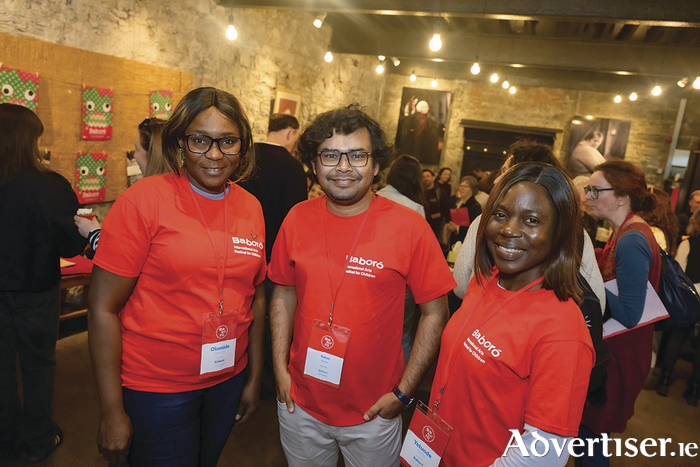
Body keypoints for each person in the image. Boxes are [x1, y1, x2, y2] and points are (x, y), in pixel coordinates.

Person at [88, 87, 267, 467]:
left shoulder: (251, 207)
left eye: (228, 141)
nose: (215, 155)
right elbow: (102, 308)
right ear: (180, 143)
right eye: (200, 140)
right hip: (157, 388)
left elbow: (256, 295)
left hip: (225, 379)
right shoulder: (144, 200)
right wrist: (111, 410)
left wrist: (253, 377)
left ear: (243, 146)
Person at [268, 105, 455, 467]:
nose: (343, 167)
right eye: (330, 155)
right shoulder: (296, 218)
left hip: (374, 412)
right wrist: (279, 368)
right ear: (314, 163)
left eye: (357, 155)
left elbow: (436, 312)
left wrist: (404, 392)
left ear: (376, 164)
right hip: (300, 404)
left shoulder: (409, 227)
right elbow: (283, 292)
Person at [428, 162, 594, 466]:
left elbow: (544, 452)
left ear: (559, 232)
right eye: (501, 215)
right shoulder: (485, 281)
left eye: (531, 220)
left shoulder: (563, 331)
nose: (508, 230)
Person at [0, 103, 87, 463]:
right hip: (37, 290)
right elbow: (71, 244)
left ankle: (5, 438)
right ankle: (37, 436)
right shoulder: (51, 185)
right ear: (30, 139)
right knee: (38, 364)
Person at [453, 140, 606, 314]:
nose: (496, 179)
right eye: (502, 216)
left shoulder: (488, 221)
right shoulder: (577, 232)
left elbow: (460, 285)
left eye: (505, 172)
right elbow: (596, 302)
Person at [578, 160, 662, 466]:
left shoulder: (632, 240)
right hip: (613, 352)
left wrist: (589, 282)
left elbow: (629, 312)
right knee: (589, 436)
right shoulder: (621, 232)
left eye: (595, 190)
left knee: (591, 437)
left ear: (623, 196)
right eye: (588, 189)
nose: (588, 196)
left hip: (620, 356)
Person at [74, 117, 168, 251]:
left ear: (152, 155)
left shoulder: (139, 199)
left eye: (137, 149)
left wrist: (92, 232)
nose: (135, 156)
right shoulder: (184, 190)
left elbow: (119, 252)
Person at [377, 154, 427, 365]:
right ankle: (400, 391)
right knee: (403, 335)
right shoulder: (414, 208)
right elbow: (418, 254)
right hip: (401, 282)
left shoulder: (373, 197)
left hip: (367, 275)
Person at [239, 113, 307, 263]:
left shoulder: (243, 156)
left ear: (269, 131)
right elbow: (296, 215)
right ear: (291, 133)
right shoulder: (293, 167)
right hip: (273, 253)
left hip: (238, 243)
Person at [655, 208, 700, 405]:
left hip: (690, 297)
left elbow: (678, 274)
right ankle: (694, 390)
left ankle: (664, 380)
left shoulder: (688, 243)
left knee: (678, 337)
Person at [442, 175, 482, 248]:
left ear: (472, 189)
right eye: (460, 186)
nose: (461, 188)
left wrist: (457, 228)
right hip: (456, 241)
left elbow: (475, 229)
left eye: (465, 186)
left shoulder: (475, 206)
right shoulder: (459, 203)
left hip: (465, 243)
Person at [422, 168, 450, 241]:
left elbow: (446, 210)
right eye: (423, 177)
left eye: (428, 176)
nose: (425, 178)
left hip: (434, 229)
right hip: (420, 226)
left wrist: (434, 216)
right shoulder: (419, 193)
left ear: (433, 178)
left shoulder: (440, 193)